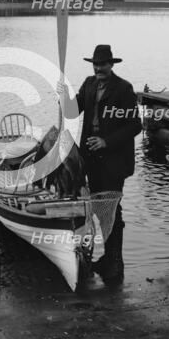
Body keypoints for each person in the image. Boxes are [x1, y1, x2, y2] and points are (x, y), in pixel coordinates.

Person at [57, 44, 142, 284]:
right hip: (92, 161)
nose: (98, 68)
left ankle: (115, 263)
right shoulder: (89, 83)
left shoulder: (124, 89)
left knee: (112, 210)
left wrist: (106, 141)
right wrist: (64, 97)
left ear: (111, 65)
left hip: (114, 162)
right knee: (97, 208)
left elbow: (135, 125)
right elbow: (72, 112)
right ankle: (108, 259)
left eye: (103, 64)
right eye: (95, 64)